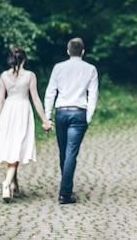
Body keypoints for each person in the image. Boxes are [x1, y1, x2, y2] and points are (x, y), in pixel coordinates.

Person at [0, 46, 53, 203]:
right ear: (24, 59)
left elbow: (1, 99)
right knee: (17, 147)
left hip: (8, 111)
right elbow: (35, 99)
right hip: (23, 111)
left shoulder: (3, 76)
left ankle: (15, 185)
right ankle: (7, 183)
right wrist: (45, 120)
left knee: (13, 146)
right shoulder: (30, 76)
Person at [44, 37, 99, 204]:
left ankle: (65, 187)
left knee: (64, 152)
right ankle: (65, 192)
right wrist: (89, 116)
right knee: (70, 152)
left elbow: (50, 92)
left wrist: (47, 116)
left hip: (61, 112)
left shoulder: (58, 68)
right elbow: (93, 94)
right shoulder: (91, 69)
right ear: (83, 52)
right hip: (79, 113)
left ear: (68, 51)